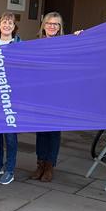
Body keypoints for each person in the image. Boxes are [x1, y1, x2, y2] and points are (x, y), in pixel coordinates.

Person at [0, 12, 21, 185]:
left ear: (14, 27)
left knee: (10, 136)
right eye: (4, 22)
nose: (7, 25)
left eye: (10, 23)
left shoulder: (20, 45)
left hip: (12, 96)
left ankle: (9, 169)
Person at [31, 12, 65, 182]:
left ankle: (50, 165)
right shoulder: (36, 44)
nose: (52, 26)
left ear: (60, 28)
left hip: (57, 94)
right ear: (44, 25)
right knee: (41, 131)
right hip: (40, 93)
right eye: (49, 23)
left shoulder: (66, 44)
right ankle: (40, 163)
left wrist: (80, 37)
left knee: (53, 131)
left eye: (56, 24)